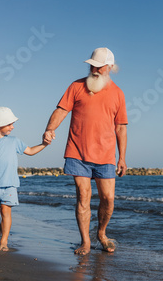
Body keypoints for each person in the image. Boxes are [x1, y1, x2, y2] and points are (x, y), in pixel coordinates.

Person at [43, 47, 128, 255]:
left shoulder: (118, 93)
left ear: (110, 67)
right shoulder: (77, 86)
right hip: (77, 152)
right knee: (83, 196)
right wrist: (49, 129)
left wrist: (122, 158)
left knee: (108, 199)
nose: (94, 69)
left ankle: (101, 233)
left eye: (99, 66)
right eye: (92, 65)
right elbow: (62, 110)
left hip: (106, 155)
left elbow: (121, 127)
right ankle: (85, 241)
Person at [0, 107, 50, 251]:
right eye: (9, 124)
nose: (12, 126)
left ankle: (4, 240)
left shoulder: (14, 141)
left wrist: (44, 144)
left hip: (10, 185)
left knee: (6, 212)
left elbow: (29, 151)